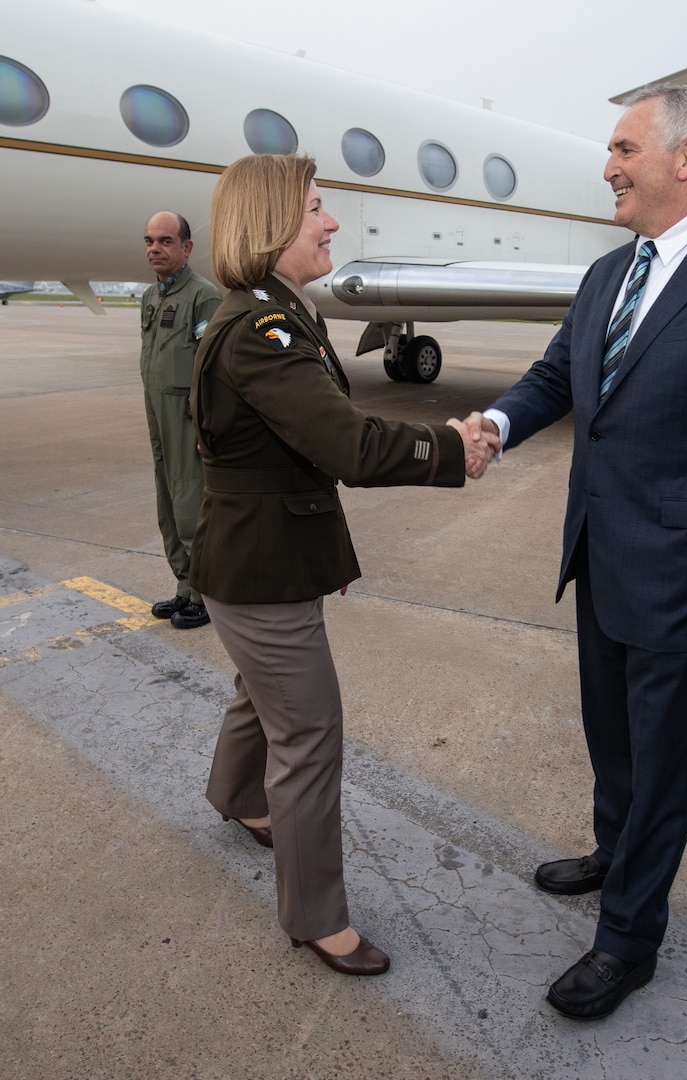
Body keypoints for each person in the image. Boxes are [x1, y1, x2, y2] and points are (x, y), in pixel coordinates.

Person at [462, 84, 687, 1019]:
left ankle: (629, 940)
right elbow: (558, 375)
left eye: (624, 149)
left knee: (663, 758)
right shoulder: (608, 273)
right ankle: (612, 851)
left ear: (686, 158)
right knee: (612, 737)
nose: (607, 167)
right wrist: (499, 424)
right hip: (601, 552)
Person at [189, 153, 498, 977]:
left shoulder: (277, 313)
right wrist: (447, 445)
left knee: (260, 698)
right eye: (316, 208)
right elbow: (347, 444)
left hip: (259, 558)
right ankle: (315, 917)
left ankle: (235, 799)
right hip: (256, 575)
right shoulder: (262, 331)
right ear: (270, 224)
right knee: (311, 733)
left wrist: (323, 553)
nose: (331, 222)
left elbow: (287, 460)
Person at [140, 210, 221, 629]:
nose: (155, 248)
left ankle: (205, 595)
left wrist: (205, 424)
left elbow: (214, 368)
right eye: (150, 241)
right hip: (157, 413)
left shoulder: (203, 296)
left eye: (166, 241)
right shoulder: (152, 296)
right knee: (168, 504)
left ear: (186, 248)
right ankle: (184, 587)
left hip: (187, 417)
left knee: (192, 505)